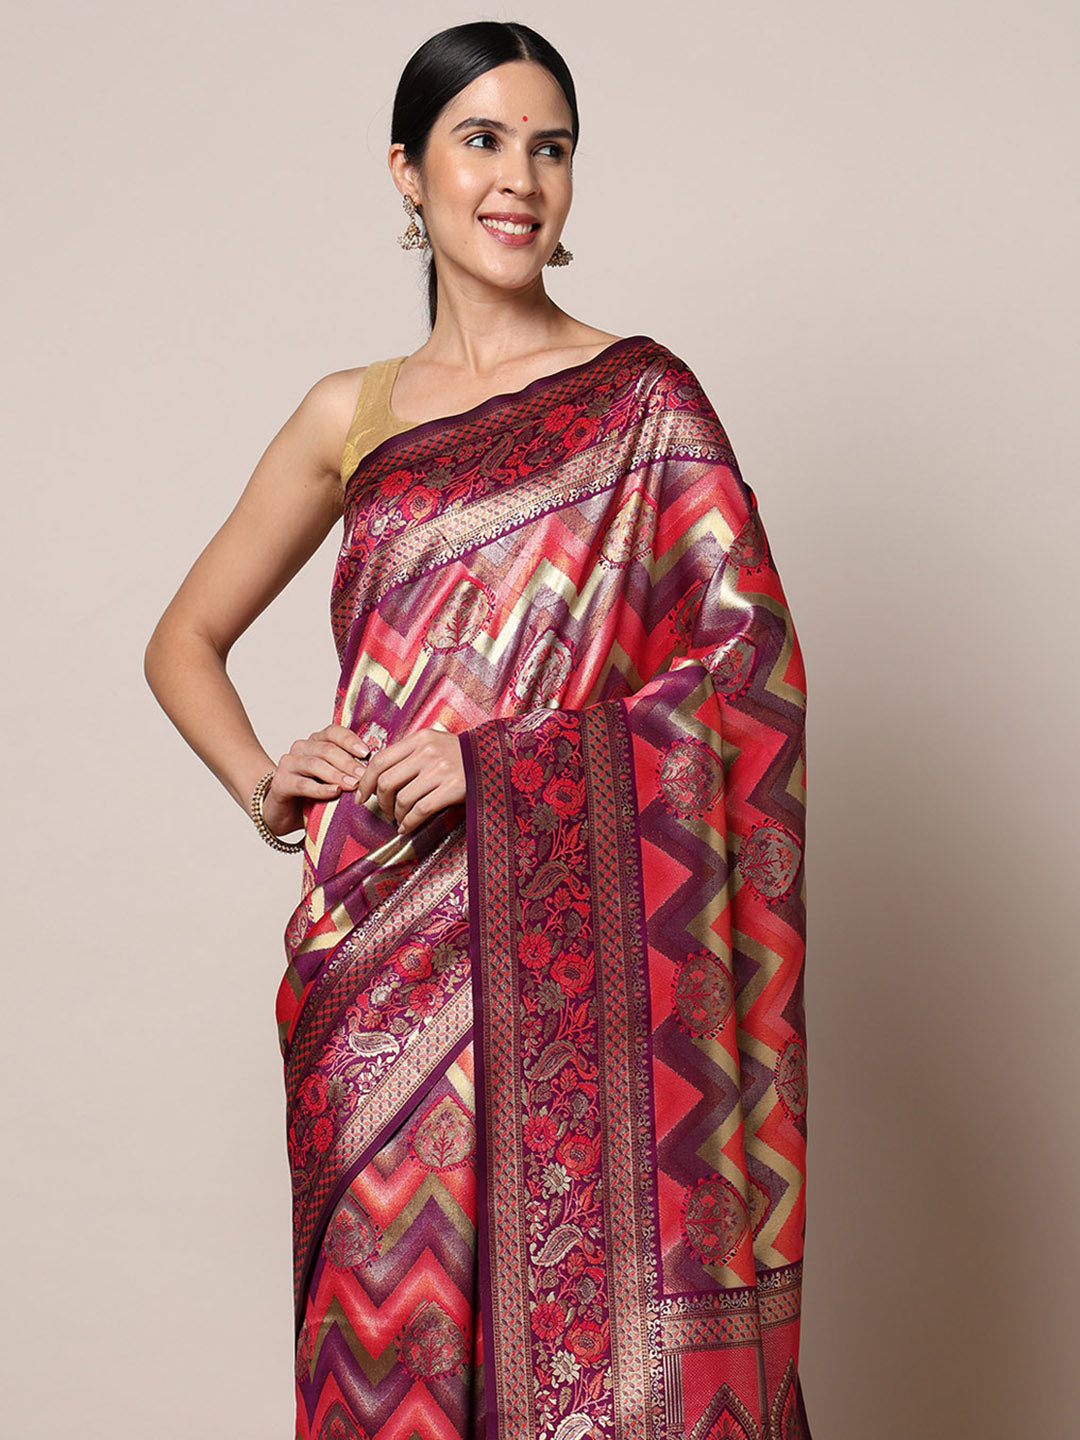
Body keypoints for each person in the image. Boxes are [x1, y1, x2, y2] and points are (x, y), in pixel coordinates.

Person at [144, 20, 812, 1440]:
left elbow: (748, 675)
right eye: (483, 140)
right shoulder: (351, 412)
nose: (521, 178)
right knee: (382, 1368)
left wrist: (502, 767)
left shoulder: (643, 401)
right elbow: (182, 641)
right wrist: (268, 778)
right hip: (375, 962)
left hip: (578, 956)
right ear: (408, 170)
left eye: (550, 147)